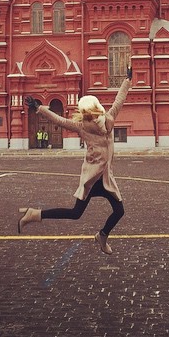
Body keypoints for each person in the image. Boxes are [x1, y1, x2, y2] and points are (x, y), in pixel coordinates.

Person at [18, 66, 132, 255]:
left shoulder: (107, 120)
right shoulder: (92, 123)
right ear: (97, 107)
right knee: (76, 213)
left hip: (105, 178)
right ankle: (34, 214)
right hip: (92, 179)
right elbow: (60, 121)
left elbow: (119, 100)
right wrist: (39, 108)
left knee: (117, 211)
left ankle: (102, 236)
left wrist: (127, 81)